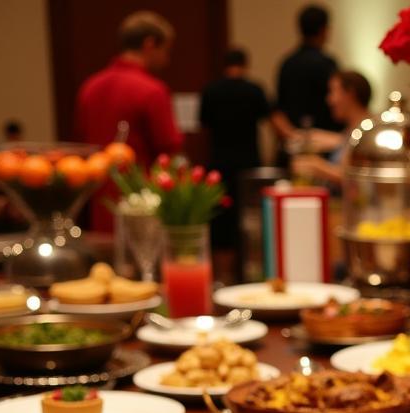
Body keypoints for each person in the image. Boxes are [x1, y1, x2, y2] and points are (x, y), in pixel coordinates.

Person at [75, 11, 183, 232]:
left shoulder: (89, 88)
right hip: (142, 207)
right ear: (150, 44)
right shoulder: (152, 90)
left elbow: (81, 144)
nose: (167, 59)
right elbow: (169, 151)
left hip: (99, 205)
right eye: (166, 50)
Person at [199, 49, 270, 248]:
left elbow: (204, 124)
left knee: (221, 219)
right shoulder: (254, 90)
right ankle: (250, 263)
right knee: (250, 217)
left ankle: (223, 271)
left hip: (219, 162)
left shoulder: (210, 91)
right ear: (245, 65)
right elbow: (269, 120)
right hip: (249, 163)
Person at [272, 4, 340, 160]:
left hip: (292, 148)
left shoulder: (287, 63)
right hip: (324, 151)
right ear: (324, 30)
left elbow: (277, 111)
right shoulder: (327, 64)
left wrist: (294, 137)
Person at [291, 71, 372, 188]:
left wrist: (317, 166)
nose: (329, 99)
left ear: (350, 93)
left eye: (332, 91)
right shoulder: (351, 130)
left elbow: (357, 181)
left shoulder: (368, 131)